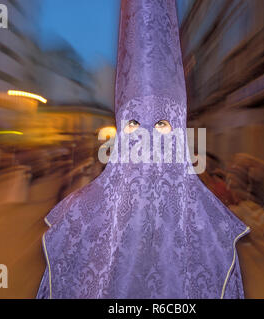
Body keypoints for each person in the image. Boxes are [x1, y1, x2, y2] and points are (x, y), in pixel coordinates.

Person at [36, 0, 249, 299]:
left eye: (162, 124)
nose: (147, 139)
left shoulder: (211, 232)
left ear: (177, 133)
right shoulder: (78, 219)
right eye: (134, 124)